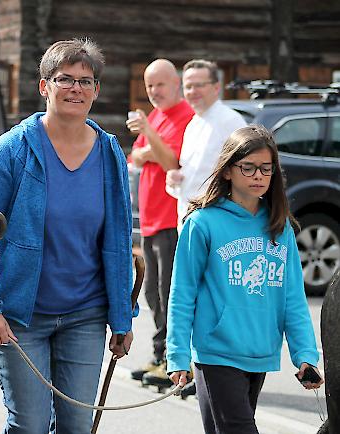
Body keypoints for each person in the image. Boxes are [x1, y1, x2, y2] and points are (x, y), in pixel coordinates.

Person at [0, 38, 134, 433]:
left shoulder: (110, 154)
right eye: (65, 79)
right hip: (21, 317)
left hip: (86, 314)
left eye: (86, 81)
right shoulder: (10, 151)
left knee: (77, 424)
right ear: (45, 87)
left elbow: (118, 240)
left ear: (96, 90)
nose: (76, 88)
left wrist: (121, 318)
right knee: (31, 425)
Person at [166, 125, 323, 434]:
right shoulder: (202, 223)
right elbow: (182, 294)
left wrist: (305, 355)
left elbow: (293, 298)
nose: (257, 176)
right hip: (216, 353)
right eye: (248, 168)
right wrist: (177, 355)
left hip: (260, 353)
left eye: (266, 169)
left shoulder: (281, 229)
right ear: (227, 171)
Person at [127, 59, 194, 386]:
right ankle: (160, 355)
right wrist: (153, 146)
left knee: (169, 292)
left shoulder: (184, 116)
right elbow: (135, 157)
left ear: (176, 83)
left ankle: (173, 359)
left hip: (171, 217)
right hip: (150, 220)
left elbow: (171, 161)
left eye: (160, 84)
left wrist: (151, 140)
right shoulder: (155, 117)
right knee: (151, 291)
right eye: (149, 85)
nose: (153, 91)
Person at [166, 59, 247, 231]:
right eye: (188, 86)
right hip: (189, 220)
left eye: (199, 85)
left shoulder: (231, 121)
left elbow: (244, 170)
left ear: (216, 87)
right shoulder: (193, 124)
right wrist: (175, 178)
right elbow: (194, 173)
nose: (192, 91)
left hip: (218, 222)